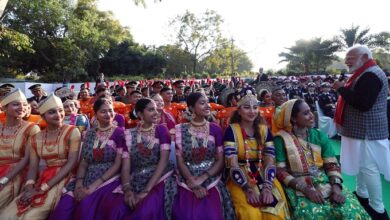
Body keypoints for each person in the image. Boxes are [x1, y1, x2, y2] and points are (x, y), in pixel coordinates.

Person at [273, 99, 370, 219]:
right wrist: (306, 190)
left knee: (351, 210)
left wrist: (336, 189)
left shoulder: (319, 135)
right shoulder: (281, 139)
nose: (311, 116)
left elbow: (332, 164)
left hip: (324, 180)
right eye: (305, 113)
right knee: (313, 213)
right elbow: (280, 171)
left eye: (311, 111)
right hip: (297, 184)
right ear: (293, 119)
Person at [0, 94, 81, 220]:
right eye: (52, 112)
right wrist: (29, 186)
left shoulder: (72, 131)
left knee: (30, 216)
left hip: (64, 178)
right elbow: (33, 166)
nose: (58, 115)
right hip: (44, 177)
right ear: (43, 116)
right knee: (7, 215)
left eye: (60, 111)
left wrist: (43, 188)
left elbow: (71, 163)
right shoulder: (36, 138)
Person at [333, 45, 390, 219]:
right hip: (360, 130)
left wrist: (341, 89)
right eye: (346, 58)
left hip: (367, 131)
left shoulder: (371, 75)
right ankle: (362, 194)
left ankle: (377, 208)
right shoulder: (364, 73)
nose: (347, 61)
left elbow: (363, 104)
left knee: (368, 167)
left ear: (364, 57)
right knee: (361, 165)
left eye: (350, 58)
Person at [49, 98, 125, 220]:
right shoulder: (90, 133)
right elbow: (84, 162)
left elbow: (117, 164)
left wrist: (94, 186)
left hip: (108, 178)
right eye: (103, 112)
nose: (108, 114)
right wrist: (79, 183)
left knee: (85, 208)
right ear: (95, 115)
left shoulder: (120, 133)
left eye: (111, 111)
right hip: (86, 176)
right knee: (63, 208)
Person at [223, 87, 289, 220]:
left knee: (274, 212)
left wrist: (267, 187)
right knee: (250, 213)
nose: (252, 111)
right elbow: (232, 164)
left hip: (264, 172)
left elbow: (270, 160)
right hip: (240, 176)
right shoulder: (231, 130)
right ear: (239, 111)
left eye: (255, 107)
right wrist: (247, 189)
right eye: (247, 107)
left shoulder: (264, 130)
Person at [105, 98, 176, 219]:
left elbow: (163, 162)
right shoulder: (128, 135)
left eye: (155, 109)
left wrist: (146, 191)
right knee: (116, 209)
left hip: (159, 178)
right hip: (136, 179)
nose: (156, 112)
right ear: (139, 114)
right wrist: (127, 189)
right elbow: (126, 166)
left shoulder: (161, 130)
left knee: (144, 211)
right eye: (150, 109)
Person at [172, 92, 235, 220]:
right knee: (185, 213)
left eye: (207, 102)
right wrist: (193, 182)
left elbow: (220, 159)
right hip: (187, 178)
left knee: (211, 212)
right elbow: (180, 161)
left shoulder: (215, 129)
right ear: (191, 108)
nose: (208, 106)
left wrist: (203, 178)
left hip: (211, 177)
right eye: (202, 103)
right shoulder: (180, 129)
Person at [0, 89, 40, 210]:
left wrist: (4, 180)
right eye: (16, 104)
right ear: (5, 108)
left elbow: (28, 159)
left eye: (24, 104)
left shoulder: (32, 129)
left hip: (16, 174)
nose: (22, 107)